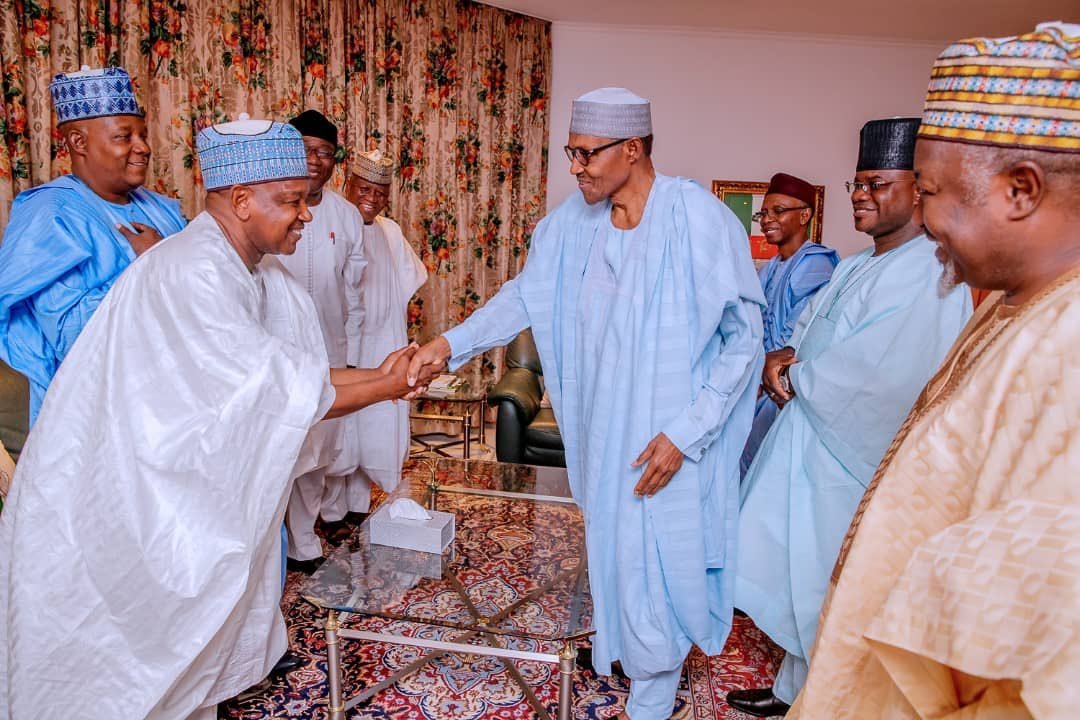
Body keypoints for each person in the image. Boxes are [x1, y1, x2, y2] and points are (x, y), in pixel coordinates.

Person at [0, 116, 437, 720]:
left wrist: (384, 380)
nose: (305, 215)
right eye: (291, 201)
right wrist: (385, 383)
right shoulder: (195, 271)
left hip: (170, 477)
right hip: (126, 492)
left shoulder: (254, 267)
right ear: (242, 200)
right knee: (121, 670)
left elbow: (294, 374)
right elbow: (278, 390)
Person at [407, 87, 766, 720]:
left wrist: (687, 432)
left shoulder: (698, 219)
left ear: (634, 149)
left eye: (586, 153)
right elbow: (524, 297)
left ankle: (652, 696)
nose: (575, 167)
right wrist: (448, 344)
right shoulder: (572, 224)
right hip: (601, 431)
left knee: (661, 561)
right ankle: (637, 660)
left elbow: (744, 340)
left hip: (671, 438)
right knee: (616, 554)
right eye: (570, 152)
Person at [789, 22, 1080, 719]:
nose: (925, 216)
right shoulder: (1013, 305)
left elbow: (1037, 665)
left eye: (931, 190)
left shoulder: (1068, 347)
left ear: (1020, 189)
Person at [727, 117, 973, 717]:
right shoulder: (861, 262)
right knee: (807, 582)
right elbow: (812, 331)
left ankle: (829, 703)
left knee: (831, 588)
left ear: (919, 189)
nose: (861, 194)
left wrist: (795, 376)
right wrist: (786, 357)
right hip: (814, 445)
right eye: (857, 183)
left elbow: (880, 376)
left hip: (849, 464)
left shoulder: (929, 271)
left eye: (877, 183)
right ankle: (794, 691)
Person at [0, 65, 186, 425]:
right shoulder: (49, 214)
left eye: (143, 135)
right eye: (124, 137)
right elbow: (72, 335)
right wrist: (152, 265)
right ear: (78, 142)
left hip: (177, 391)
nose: (143, 148)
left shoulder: (162, 209)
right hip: (96, 408)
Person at [277, 109, 368, 573]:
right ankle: (271, 539)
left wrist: (351, 356)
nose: (315, 160)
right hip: (277, 348)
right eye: (306, 149)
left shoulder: (347, 216)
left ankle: (303, 540)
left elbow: (354, 294)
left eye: (325, 152)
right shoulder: (271, 203)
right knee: (278, 445)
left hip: (329, 347)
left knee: (317, 450)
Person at [339, 149, 427, 515]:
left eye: (380, 192)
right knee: (342, 427)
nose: (372, 199)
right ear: (348, 184)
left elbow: (410, 278)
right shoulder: (331, 223)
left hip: (382, 341)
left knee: (376, 423)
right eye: (364, 189)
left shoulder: (390, 231)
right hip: (344, 344)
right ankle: (332, 513)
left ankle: (359, 507)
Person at [739, 172, 838, 475]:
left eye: (778, 211)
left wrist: (761, 376)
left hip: (785, 388)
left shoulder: (815, 263)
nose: (767, 219)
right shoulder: (769, 268)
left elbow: (799, 337)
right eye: (763, 213)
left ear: (804, 215)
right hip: (757, 384)